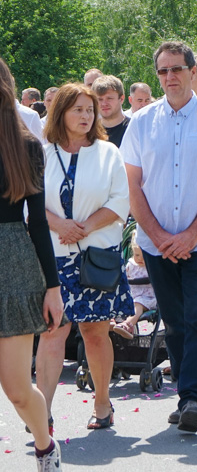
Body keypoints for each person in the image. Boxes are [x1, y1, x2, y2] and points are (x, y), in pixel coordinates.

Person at [120, 41, 197, 433]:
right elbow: (133, 186)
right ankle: (185, 393)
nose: (170, 77)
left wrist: (190, 235)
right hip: (157, 246)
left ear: (193, 72)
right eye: (163, 71)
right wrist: (157, 235)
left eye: (176, 69)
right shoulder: (141, 122)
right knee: (174, 322)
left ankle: (193, 398)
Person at [37, 83, 133, 433]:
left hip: (96, 256)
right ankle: (42, 414)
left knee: (95, 332)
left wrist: (84, 227)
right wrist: (59, 224)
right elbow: (29, 203)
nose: (86, 116)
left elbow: (120, 200)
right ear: (60, 112)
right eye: (78, 109)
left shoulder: (108, 152)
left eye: (90, 110)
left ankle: (103, 403)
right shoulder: (42, 153)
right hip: (54, 256)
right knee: (52, 333)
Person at [0, 57, 64, 469]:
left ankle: (45, 446)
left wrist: (53, 288)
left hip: (14, 267)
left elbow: (38, 223)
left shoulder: (25, 145)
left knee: (18, 388)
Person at [112, 230, 157, 338]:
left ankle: (128, 325)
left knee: (137, 305)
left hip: (148, 298)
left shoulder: (152, 266)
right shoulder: (130, 264)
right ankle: (111, 321)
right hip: (131, 295)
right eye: (137, 255)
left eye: (143, 256)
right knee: (114, 299)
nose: (140, 259)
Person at [91, 75, 129, 149]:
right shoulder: (90, 131)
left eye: (109, 98)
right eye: (100, 99)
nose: (104, 104)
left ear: (121, 99)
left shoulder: (133, 128)